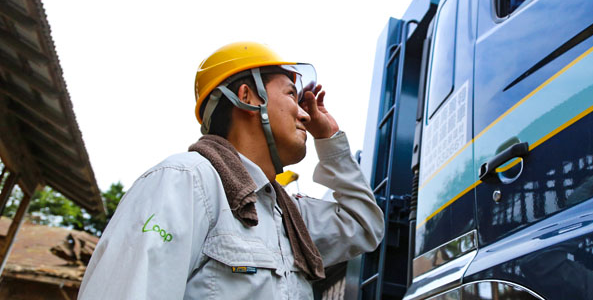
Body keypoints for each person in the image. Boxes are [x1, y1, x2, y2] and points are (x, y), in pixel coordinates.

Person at [78, 42, 384, 299]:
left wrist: (329, 140)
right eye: (292, 94)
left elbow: (364, 224)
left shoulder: (288, 217)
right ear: (247, 96)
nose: (306, 114)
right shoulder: (185, 182)